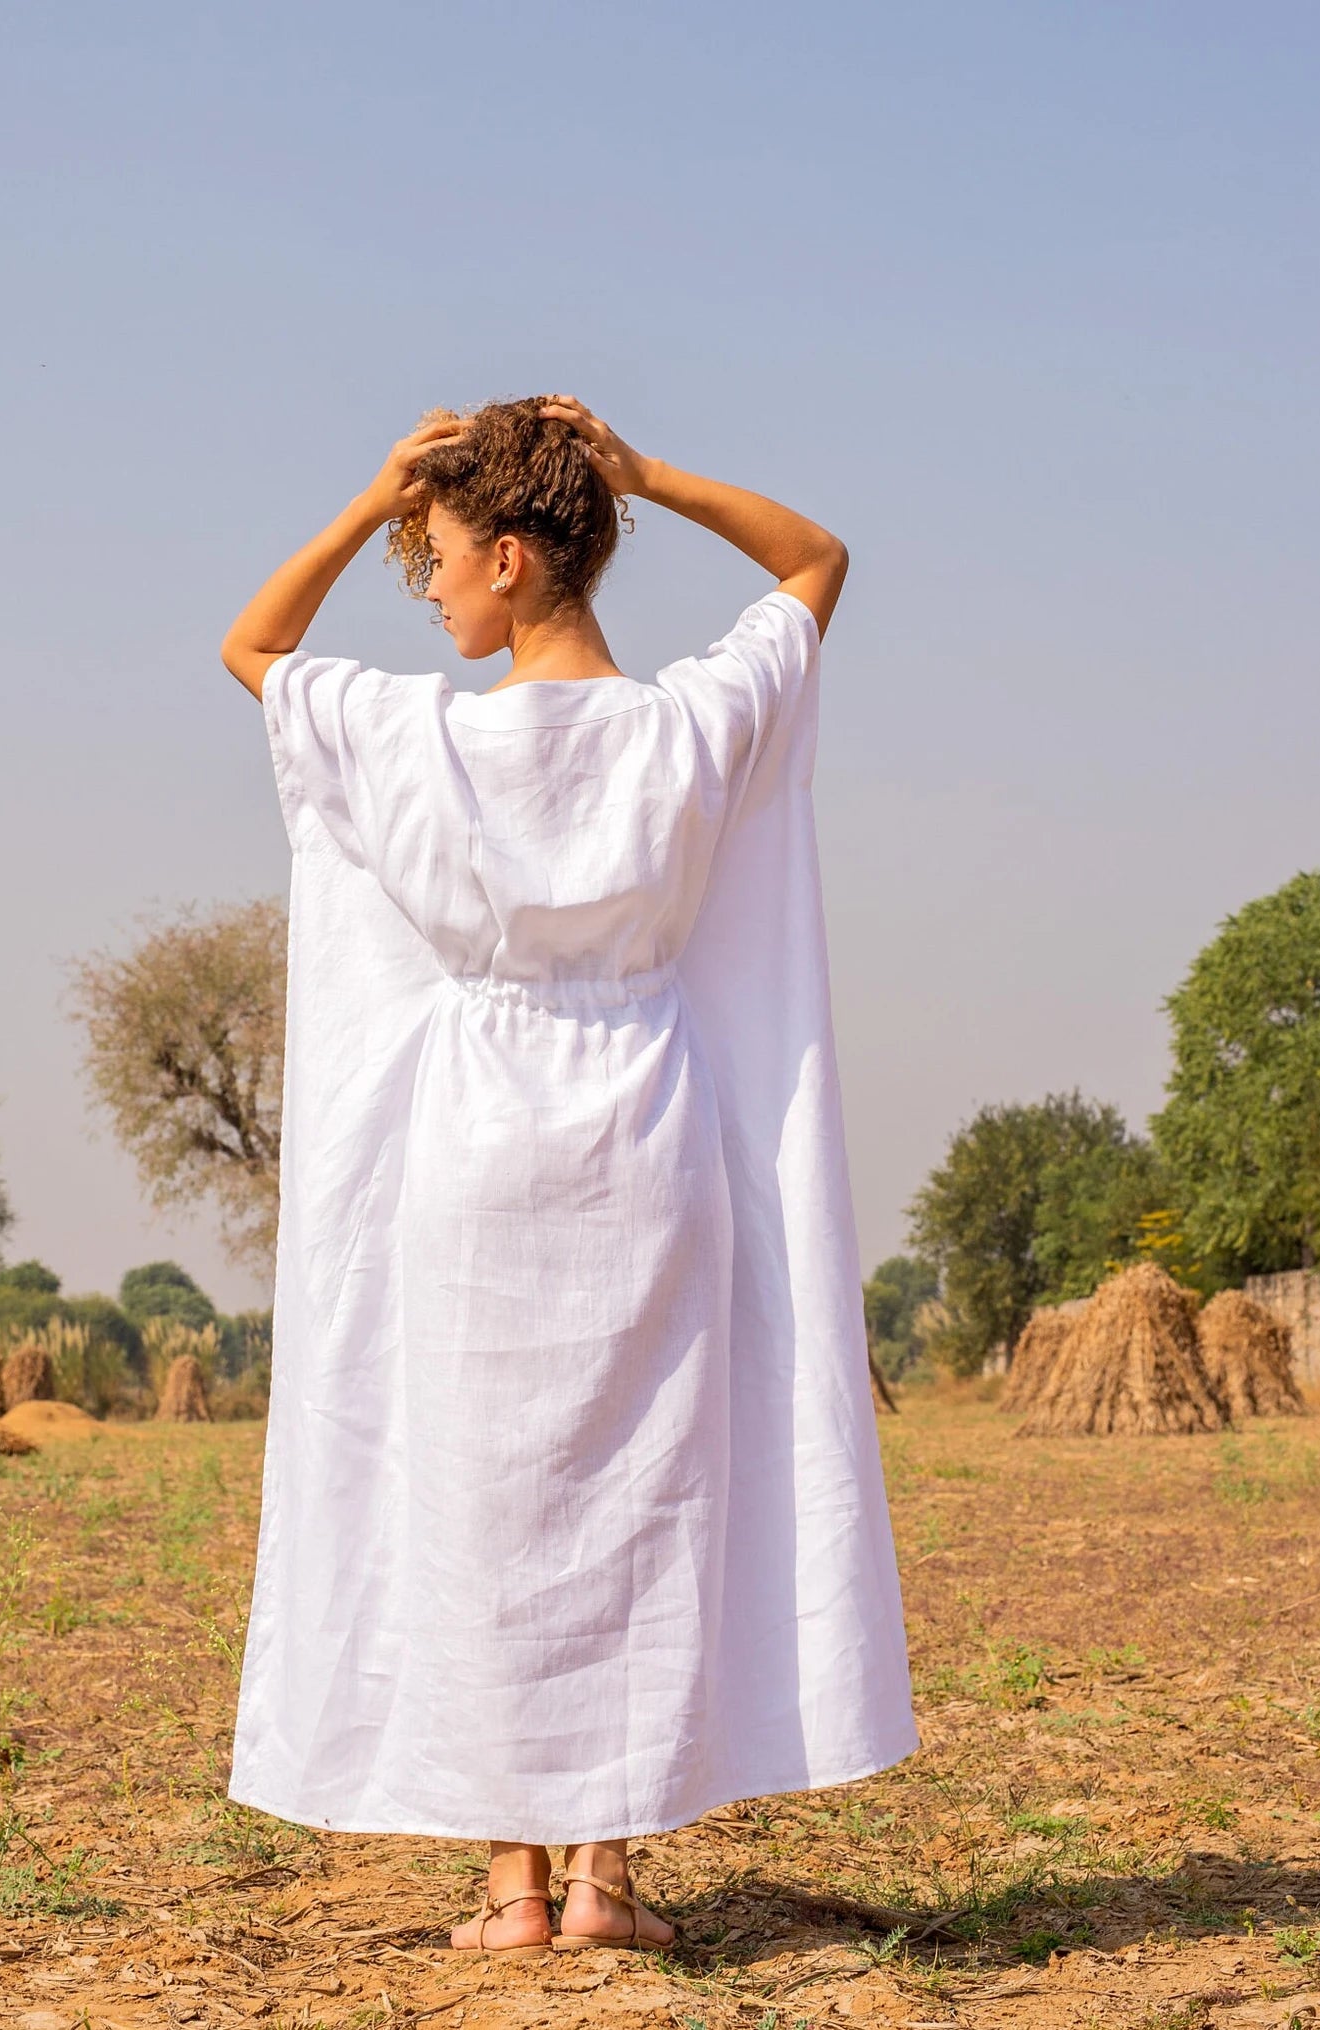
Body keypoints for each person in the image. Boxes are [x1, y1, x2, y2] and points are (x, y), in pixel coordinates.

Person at [220, 397, 918, 1957]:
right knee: (632, 1494)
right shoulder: (684, 726)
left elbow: (253, 648)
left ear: (516, 561)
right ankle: (605, 1879)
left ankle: (511, 1890)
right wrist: (649, 476)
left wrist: (365, 495)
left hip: (475, 1143)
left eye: (446, 561)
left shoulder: (422, 738)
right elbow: (817, 563)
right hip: (647, 1129)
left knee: (482, 1501)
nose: (437, 591)